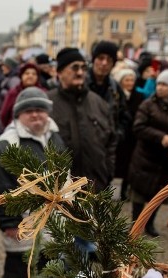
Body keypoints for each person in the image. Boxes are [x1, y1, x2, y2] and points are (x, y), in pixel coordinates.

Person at [0, 87, 65, 278]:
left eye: (40, 109)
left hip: (53, 223)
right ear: (18, 114)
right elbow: (0, 186)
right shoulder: (7, 144)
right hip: (24, 226)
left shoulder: (53, 135)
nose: (36, 114)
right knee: (19, 276)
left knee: (49, 275)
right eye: (29, 111)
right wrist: (9, 223)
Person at [127, 70, 168, 237]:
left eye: (164, 84)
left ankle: (150, 224)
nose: (160, 87)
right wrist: (160, 137)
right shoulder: (147, 105)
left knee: (158, 194)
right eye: (158, 83)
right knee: (139, 195)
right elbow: (138, 127)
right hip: (145, 157)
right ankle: (136, 225)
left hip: (166, 161)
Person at [48, 47, 117, 193]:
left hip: (95, 187)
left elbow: (111, 141)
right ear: (59, 72)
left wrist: (107, 172)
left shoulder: (99, 103)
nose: (80, 72)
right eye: (74, 68)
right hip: (57, 193)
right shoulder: (47, 104)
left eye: (83, 68)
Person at [114, 67, 145, 200]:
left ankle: (124, 191)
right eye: (127, 80)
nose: (130, 83)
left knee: (128, 165)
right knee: (114, 163)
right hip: (118, 134)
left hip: (131, 137)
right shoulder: (115, 95)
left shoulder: (139, 96)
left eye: (132, 80)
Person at [0, 63, 43, 130]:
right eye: (27, 73)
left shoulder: (43, 93)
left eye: (34, 74)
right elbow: (4, 114)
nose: (30, 76)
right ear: (21, 76)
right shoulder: (13, 93)